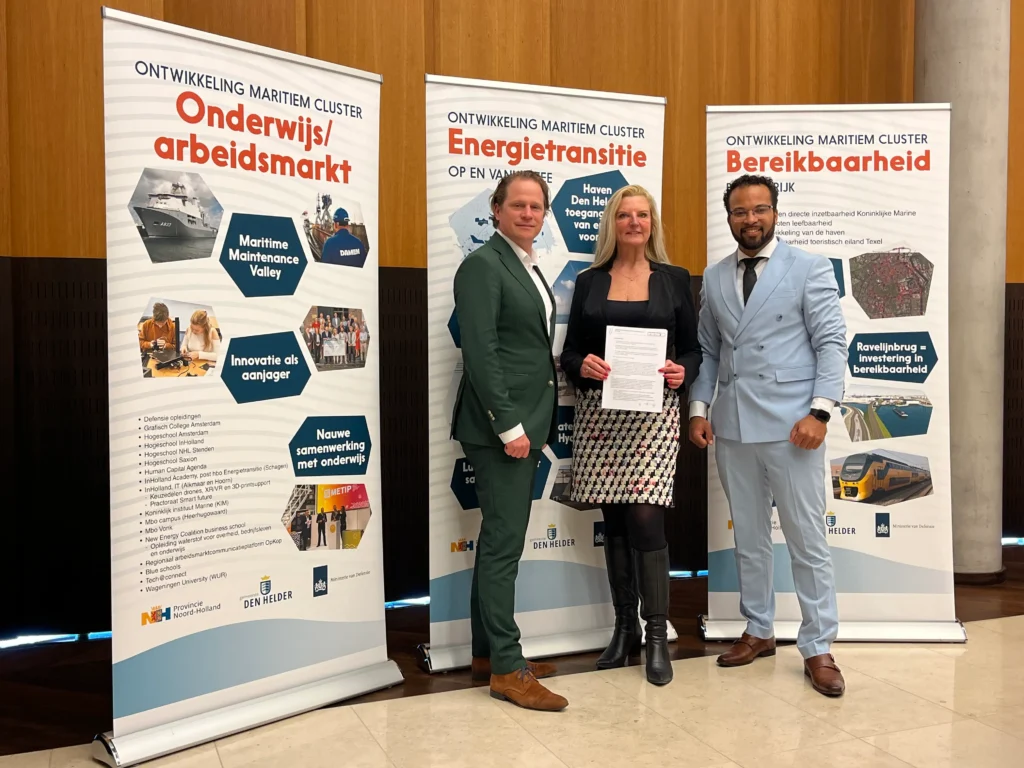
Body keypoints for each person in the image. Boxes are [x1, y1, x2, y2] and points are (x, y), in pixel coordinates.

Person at [688, 174, 847, 697]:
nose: (750, 219)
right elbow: (709, 350)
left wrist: (820, 413)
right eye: (740, 211)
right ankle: (758, 628)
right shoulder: (714, 276)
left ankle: (818, 645)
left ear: (775, 213)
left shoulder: (809, 267)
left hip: (793, 427)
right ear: (729, 217)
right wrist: (698, 408)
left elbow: (831, 343)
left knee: (806, 539)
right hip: (733, 426)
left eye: (759, 209)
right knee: (749, 538)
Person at [560, 185, 700, 686]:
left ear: (652, 223)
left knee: (645, 518)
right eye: (624, 215)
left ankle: (657, 635)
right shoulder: (589, 281)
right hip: (600, 415)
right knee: (615, 521)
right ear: (612, 224)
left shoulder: (674, 279)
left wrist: (683, 371)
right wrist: (583, 365)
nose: (634, 222)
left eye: (642, 214)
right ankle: (624, 631)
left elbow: (693, 350)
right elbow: (570, 352)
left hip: (653, 415)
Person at [450, 170, 566, 712]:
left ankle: (488, 654)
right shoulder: (482, 265)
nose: (527, 214)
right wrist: (509, 427)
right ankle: (507, 670)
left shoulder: (526, 265)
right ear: (496, 210)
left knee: (498, 541)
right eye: (517, 204)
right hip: (502, 430)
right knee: (504, 546)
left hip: (524, 422)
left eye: (536, 206)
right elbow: (481, 352)